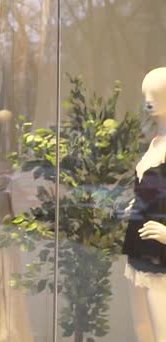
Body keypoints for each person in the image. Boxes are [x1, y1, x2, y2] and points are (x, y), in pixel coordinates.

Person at [122, 67, 166, 342]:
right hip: (139, 244)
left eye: (157, 94)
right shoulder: (155, 142)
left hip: (161, 253)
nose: (149, 100)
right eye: (146, 94)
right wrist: (134, 204)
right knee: (142, 328)